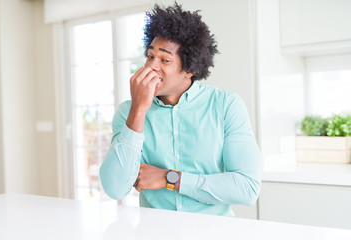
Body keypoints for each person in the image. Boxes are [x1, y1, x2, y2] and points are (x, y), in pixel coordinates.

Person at [100, 3, 262, 217]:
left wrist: (170, 178)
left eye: (164, 60)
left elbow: (247, 188)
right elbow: (115, 187)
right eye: (150, 56)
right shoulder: (128, 112)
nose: (151, 66)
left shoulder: (226, 105)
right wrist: (138, 111)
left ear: (190, 68)